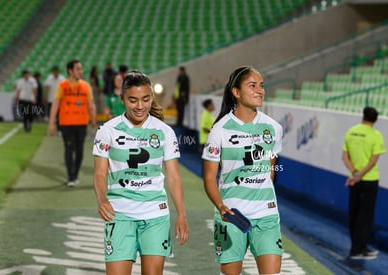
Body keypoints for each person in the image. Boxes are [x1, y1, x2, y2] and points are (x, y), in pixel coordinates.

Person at [93, 71, 189, 275]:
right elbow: (100, 174)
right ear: (122, 99)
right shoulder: (107, 131)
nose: (140, 106)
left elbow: (173, 176)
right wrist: (102, 199)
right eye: (133, 100)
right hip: (118, 214)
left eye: (145, 99)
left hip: (155, 214)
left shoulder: (164, 131)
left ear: (152, 97)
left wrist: (181, 213)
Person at [202, 66, 283, 275]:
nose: (260, 91)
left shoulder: (273, 128)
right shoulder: (219, 130)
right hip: (231, 215)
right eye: (252, 85)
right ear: (236, 92)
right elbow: (210, 178)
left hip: (266, 214)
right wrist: (221, 206)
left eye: (262, 86)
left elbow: (270, 170)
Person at [342, 106, 386, 260]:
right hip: (369, 180)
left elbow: (345, 156)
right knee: (365, 216)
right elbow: (373, 161)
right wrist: (360, 175)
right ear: (375, 119)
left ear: (363, 116)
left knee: (354, 214)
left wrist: (354, 174)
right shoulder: (376, 135)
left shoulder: (351, 131)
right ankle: (358, 250)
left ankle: (355, 246)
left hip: (354, 180)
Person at [48, 59, 97, 187]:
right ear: (70, 71)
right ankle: (71, 177)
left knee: (80, 150)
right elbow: (55, 104)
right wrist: (51, 123)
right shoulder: (62, 86)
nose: (81, 71)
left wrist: (93, 119)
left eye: (81, 69)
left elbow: (91, 104)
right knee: (69, 148)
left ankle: (75, 174)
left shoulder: (86, 86)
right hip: (66, 123)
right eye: (78, 69)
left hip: (81, 123)